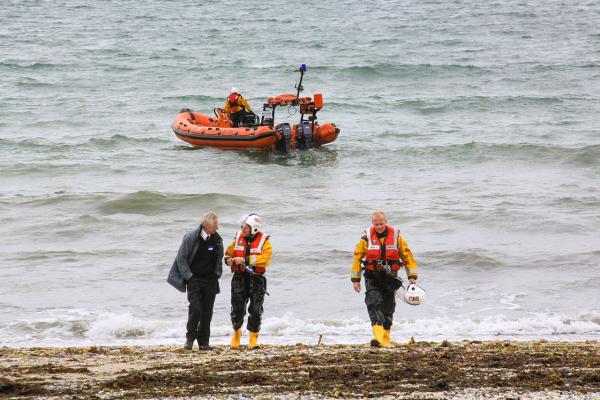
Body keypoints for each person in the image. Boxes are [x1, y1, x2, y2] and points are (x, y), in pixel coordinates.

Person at [351, 211, 418, 347]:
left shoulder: (397, 237)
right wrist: (356, 279)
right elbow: (357, 258)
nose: (379, 226)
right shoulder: (366, 238)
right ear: (373, 224)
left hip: (390, 277)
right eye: (376, 224)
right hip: (372, 276)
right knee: (373, 302)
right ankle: (378, 337)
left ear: (386, 222)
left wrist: (412, 276)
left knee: (388, 307)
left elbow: (407, 256)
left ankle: (386, 338)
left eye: (381, 223)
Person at [167, 211, 223, 350]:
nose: (217, 229)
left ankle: (204, 343)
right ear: (206, 225)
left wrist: (217, 273)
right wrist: (189, 277)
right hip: (194, 279)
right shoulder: (191, 237)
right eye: (214, 226)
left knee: (207, 312)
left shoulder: (217, 239)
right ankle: (190, 339)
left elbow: (219, 258)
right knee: (196, 309)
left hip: (211, 280)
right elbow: (181, 259)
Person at [224, 214, 272, 350]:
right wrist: (228, 259)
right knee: (237, 307)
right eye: (243, 227)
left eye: (246, 227)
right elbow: (229, 252)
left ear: (254, 228)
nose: (243, 229)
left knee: (256, 310)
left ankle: (253, 336)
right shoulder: (238, 236)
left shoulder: (264, 240)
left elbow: (266, 259)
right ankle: (237, 333)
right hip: (239, 277)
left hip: (257, 279)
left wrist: (245, 260)